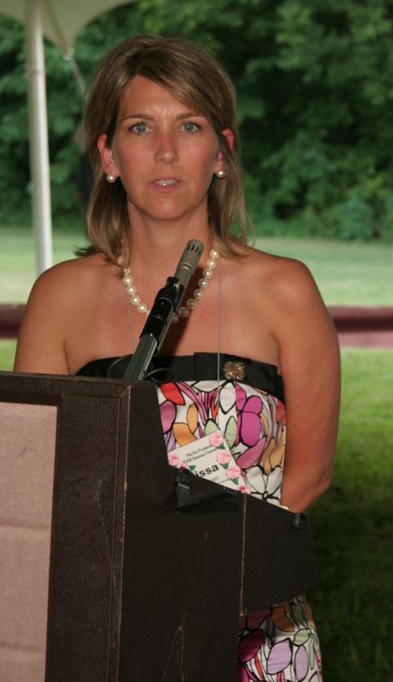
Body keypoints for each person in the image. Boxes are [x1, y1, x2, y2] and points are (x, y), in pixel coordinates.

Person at [14, 34, 340, 681]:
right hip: (103, 624)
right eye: (140, 126)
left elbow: (308, 477)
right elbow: (33, 479)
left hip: (251, 627)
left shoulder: (285, 289)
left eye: (188, 126)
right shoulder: (59, 297)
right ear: (107, 153)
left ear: (221, 150)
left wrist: (200, 589)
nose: (165, 151)